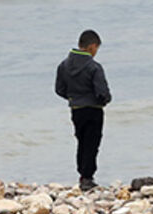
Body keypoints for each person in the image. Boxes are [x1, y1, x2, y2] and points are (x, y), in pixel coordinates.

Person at [55, 29, 111, 191]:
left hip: (76, 108)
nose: (96, 53)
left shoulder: (63, 65)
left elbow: (59, 89)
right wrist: (105, 100)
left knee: (81, 141)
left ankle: (82, 174)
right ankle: (87, 177)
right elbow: (102, 92)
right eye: (96, 49)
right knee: (92, 143)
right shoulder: (94, 67)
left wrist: (73, 98)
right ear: (92, 46)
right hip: (93, 109)